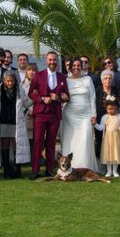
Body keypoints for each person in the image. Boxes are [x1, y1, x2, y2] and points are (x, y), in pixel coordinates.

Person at [28, 51, 69, 180]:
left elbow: (67, 96)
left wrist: (61, 97)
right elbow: (31, 93)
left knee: (51, 143)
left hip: (54, 114)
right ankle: (35, 170)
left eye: (54, 60)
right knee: (38, 142)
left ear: (57, 61)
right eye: (50, 60)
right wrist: (41, 99)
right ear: (46, 60)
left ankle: (50, 169)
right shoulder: (38, 76)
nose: (52, 62)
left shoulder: (62, 77)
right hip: (41, 113)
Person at [61, 57, 98, 171]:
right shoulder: (65, 80)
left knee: (86, 140)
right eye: (74, 65)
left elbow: (92, 97)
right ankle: (70, 167)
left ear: (81, 67)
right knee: (70, 141)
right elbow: (62, 96)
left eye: (78, 65)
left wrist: (94, 115)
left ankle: (85, 167)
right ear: (70, 67)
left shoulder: (87, 79)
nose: (76, 68)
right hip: (69, 115)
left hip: (86, 115)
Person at [0, 70, 31, 178]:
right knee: (5, 144)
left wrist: (35, 97)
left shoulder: (19, 89)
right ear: (4, 80)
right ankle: (6, 170)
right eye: (8, 81)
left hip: (16, 120)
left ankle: (17, 169)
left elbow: (26, 102)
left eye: (12, 81)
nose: (10, 83)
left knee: (17, 144)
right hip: (3, 119)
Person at [94, 100, 120, 177]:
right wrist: (95, 124)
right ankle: (109, 171)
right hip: (107, 139)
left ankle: (115, 171)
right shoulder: (105, 117)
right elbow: (101, 127)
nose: (109, 111)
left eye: (111, 109)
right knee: (108, 154)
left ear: (116, 107)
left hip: (117, 138)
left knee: (116, 154)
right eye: (108, 109)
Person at [95, 69, 118, 158]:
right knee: (99, 140)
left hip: (113, 119)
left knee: (112, 141)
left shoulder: (115, 91)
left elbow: (118, 104)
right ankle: (100, 161)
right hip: (100, 118)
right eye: (105, 78)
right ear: (102, 80)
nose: (108, 80)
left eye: (110, 78)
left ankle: (112, 161)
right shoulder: (97, 90)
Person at [21, 62, 37, 153]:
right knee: (27, 136)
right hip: (26, 113)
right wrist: (30, 110)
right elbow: (22, 101)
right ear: (26, 72)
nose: (31, 72)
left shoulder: (40, 83)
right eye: (29, 70)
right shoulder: (22, 85)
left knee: (38, 136)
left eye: (34, 70)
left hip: (38, 113)